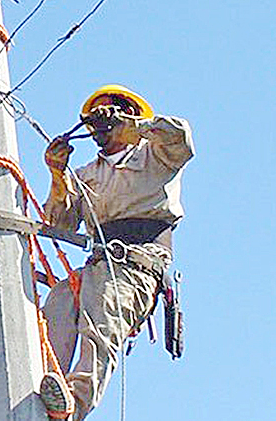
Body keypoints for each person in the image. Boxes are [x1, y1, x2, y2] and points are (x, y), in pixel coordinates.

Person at [38, 84, 194, 420]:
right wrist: (57, 176)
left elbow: (182, 139)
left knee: (100, 325)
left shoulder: (154, 155)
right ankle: (34, 394)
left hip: (137, 266)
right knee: (58, 304)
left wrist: (133, 128)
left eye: (109, 115)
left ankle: (72, 406)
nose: (101, 126)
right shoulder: (85, 176)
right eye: (96, 120)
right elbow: (61, 224)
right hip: (98, 264)